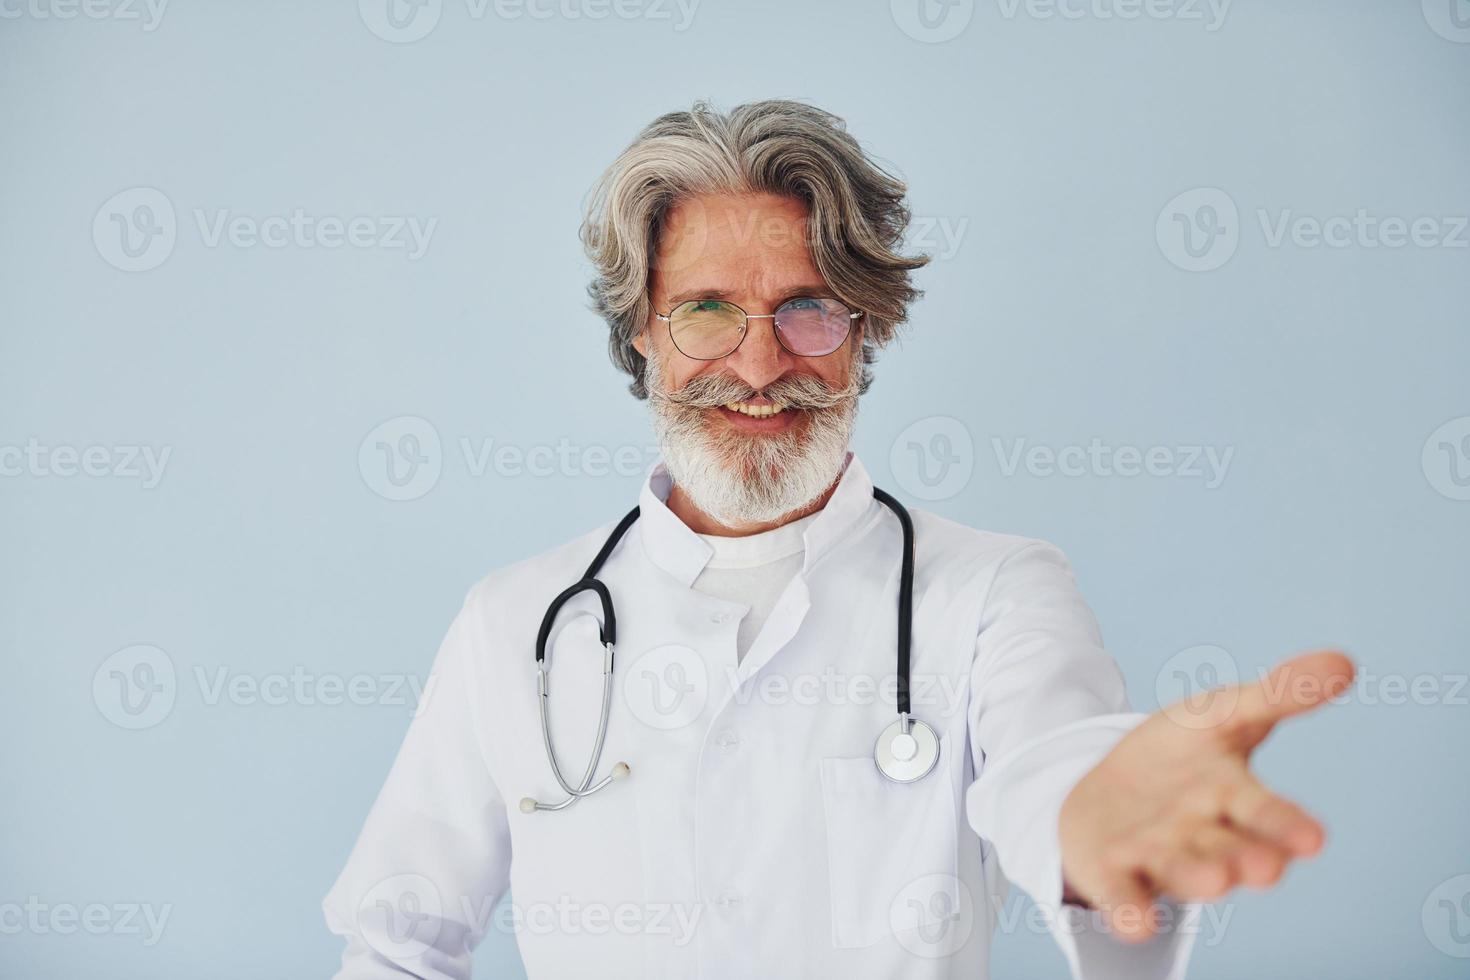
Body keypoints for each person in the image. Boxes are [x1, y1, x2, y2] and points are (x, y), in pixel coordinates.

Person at [323, 99, 1355, 979]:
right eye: (707, 310)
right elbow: (394, 940)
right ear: (642, 329)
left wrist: (1094, 823)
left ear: (867, 329)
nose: (762, 362)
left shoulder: (993, 590)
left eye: (808, 308)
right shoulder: (516, 623)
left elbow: (1055, 761)